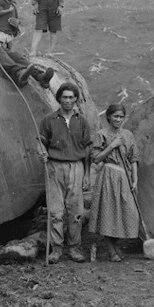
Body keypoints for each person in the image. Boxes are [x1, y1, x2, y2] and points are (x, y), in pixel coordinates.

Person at [37, 82, 92, 264]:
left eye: (71, 97)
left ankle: (74, 247)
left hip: (76, 166)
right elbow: (41, 141)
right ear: (59, 98)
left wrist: (86, 175)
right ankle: (56, 248)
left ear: (76, 99)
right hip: (54, 167)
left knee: (76, 211)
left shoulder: (82, 121)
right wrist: (42, 151)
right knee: (55, 211)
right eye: (64, 97)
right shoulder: (49, 120)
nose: (68, 101)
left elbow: (87, 148)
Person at [88, 104, 140, 262]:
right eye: (115, 116)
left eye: (121, 117)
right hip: (108, 176)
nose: (118, 119)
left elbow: (134, 158)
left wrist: (135, 178)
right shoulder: (101, 134)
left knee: (128, 212)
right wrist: (112, 146)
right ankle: (111, 249)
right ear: (108, 117)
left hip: (125, 177)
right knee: (109, 213)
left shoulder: (128, 135)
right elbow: (96, 158)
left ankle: (116, 245)